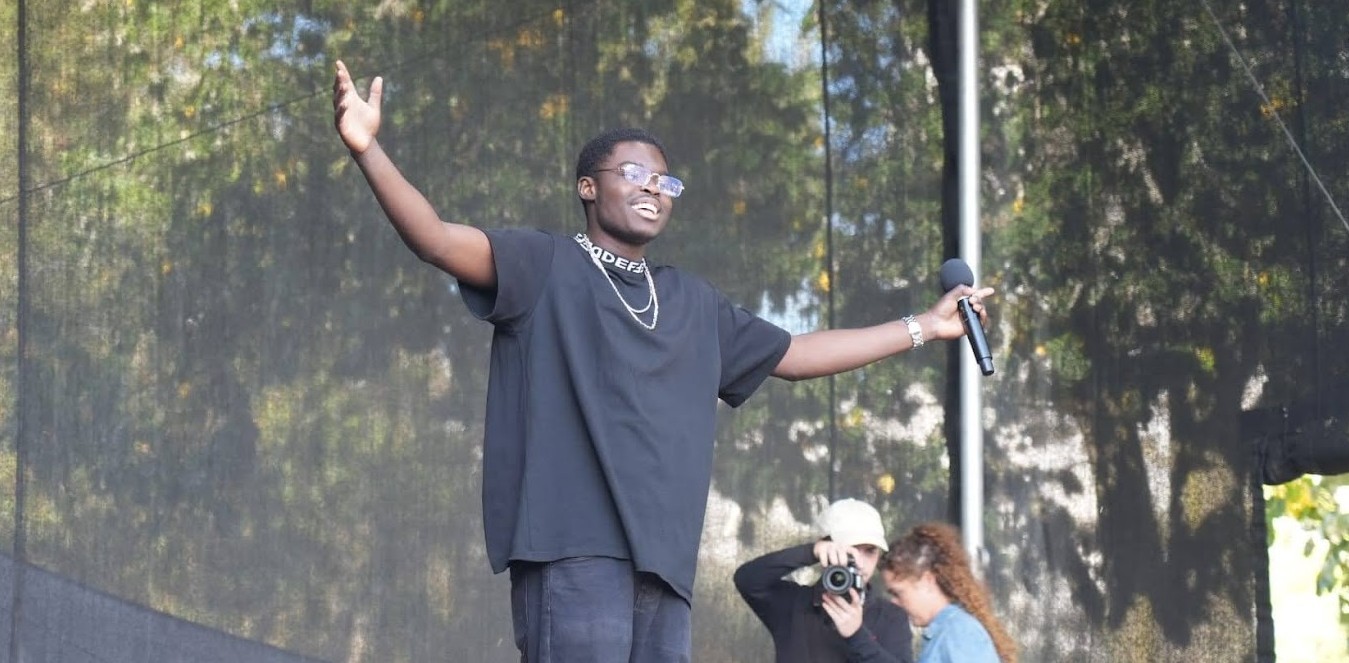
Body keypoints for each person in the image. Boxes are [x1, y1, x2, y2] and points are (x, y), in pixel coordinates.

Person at [330, 60, 995, 663]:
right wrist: (368, 149)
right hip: (572, 551)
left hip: (665, 567)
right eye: (633, 174)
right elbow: (436, 239)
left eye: (664, 180)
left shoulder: (692, 301)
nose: (653, 187)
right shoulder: (544, 264)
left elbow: (794, 353)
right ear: (588, 187)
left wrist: (923, 325)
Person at [734, 498, 914, 662]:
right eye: (849, 549)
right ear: (825, 547)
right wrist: (810, 552)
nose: (859, 561)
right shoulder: (794, 603)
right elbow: (747, 579)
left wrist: (857, 635)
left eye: (870, 551)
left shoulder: (891, 616)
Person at [877, 522, 1017, 663]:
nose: (894, 602)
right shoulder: (947, 633)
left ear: (927, 581)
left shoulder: (959, 633)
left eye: (898, 593)